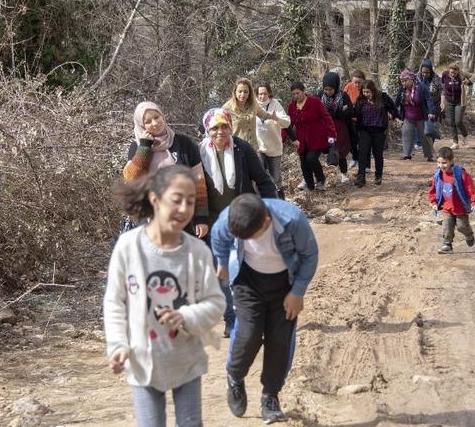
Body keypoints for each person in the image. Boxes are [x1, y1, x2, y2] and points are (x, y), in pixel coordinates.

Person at [104, 164, 226, 427]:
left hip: (186, 359)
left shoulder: (197, 252)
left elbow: (216, 302)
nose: (184, 209)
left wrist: (185, 315)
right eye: (176, 200)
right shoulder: (129, 247)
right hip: (142, 361)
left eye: (190, 202)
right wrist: (117, 345)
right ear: (155, 199)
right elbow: (115, 301)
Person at [211, 194, 318, 424]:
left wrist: (298, 292)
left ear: (266, 222)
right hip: (248, 281)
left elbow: (310, 255)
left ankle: (270, 396)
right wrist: (221, 262)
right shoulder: (232, 216)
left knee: (279, 340)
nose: (243, 241)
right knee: (248, 333)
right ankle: (235, 376)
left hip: (284, 285)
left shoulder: (292, 220)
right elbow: (218, 237)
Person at [198, 107, 278, 336]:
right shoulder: (199, 154)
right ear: (207, 130)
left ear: (231, 127)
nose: (220, 132)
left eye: (224, 126)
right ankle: (232, 319)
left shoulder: (242, 149)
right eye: (215, 128)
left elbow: (263, 180)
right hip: (213, 225)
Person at [122, 101, 209, 238]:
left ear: (163, 116)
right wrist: (145, 147)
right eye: (148, 121)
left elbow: (199, 181)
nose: (155, 123)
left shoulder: (183, 143)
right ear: (141, 125)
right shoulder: (136, 147)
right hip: (149, 218)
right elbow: (131, 179)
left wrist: (201, 218)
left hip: (181, 214)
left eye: (157, 117)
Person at [286, 82, 337, 191]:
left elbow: (326, 117)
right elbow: (288, 124)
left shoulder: (314, 102)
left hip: (316, 136)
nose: (296, 96)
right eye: (293, 94)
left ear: (303, 91)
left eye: (298, 93)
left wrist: (332, 133)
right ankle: (310, 186)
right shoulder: (291, 107)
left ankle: (321, 179)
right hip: (301, 139)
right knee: (303, 162)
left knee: (311, 158)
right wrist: (282, 138)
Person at [429, 146, 475, 254]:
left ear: (451, 161)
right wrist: (433, 202)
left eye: (444, 163)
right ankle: (447, 244)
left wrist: (474, 201)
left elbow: (470, 187)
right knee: (446, 226)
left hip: (460, 207)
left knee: (461, 226)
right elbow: (433, 189)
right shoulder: (438, 175)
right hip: (447, 207)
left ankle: (469, 234)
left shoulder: (460, 174)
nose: (441, 166)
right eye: (439, 163)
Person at [353, 79, 399, 187]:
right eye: (364, 92)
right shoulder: (361, 100)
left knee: (378, 154)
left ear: (373, 91)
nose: (366, 94)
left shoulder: (383, 97)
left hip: (379, 130)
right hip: (365, 129)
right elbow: (355, 112)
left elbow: (393, 109)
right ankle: (361, 177)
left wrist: (393, 115)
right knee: (362, 153)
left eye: (368, 92)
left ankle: (378, 176)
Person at [255, 82, 292, 199]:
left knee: (276, 177)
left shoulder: (275, 104)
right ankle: (263, 200)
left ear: (269, 93)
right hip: (259, 147)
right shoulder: (252, 105)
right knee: (258, 175)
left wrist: (276, 118)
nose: (262, 96)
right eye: (260, 94)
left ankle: (280, 199)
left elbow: (287, 122)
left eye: (264, 93)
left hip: (274, 147)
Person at [223, 77, 281, 147]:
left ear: (249, 93)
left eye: (245, 91)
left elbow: (263, 115)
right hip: (236, 149)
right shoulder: (226, 108)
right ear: (235, 92)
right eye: (240, 91)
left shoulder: (253, 104)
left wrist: (272, 116)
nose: (243, 94)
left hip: (252, 148)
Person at [318, 72, 354, 183]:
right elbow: (317, 111)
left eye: (331, 89)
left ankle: (344, 173)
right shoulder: (319, 95)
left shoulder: (342, 95)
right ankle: (319, 177)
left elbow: (350, 111)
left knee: (341, 151)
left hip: (340, 127)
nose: (328, 92)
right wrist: (337, 110)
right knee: (325, 150)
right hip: (325, 127)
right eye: (326, 89)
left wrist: (336, 113)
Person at [395, 69, 436, 162]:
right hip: (408, 115)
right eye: (402, 81)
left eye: (405, 80)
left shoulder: (421, 87)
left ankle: (429, 155)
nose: (403, 83)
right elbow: (397, 101)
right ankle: (407, 155)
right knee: (406, 133)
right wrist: (392, 112)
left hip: (421, 115)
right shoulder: (402, 89)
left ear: (411, 79)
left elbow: (428, 99)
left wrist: (431, 112)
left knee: (425, 135)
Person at [440, 64, 473, 149]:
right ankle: (455, 142)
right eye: (451, 72)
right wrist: (442, 102)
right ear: (449, 70)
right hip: (449, 101)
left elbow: (473, 76)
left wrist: (468, 82)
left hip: (460, 102)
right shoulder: (445, 75)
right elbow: (443, 89)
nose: (452, 74)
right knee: (451, 122)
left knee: (458, 121)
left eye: (454, 73)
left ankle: (465, 135)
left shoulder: (462, 74)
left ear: (458, 71)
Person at [343, 69, 366, 169]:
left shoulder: (367, 87)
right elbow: (343, 98)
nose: (357, 85)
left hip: (364, 118)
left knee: (362, 141)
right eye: (355, 82)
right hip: (351, 117)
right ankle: (354, 158)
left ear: (363, 80)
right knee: (351, 140)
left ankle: (364, 162)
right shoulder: (348, 86)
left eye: (359, 82)